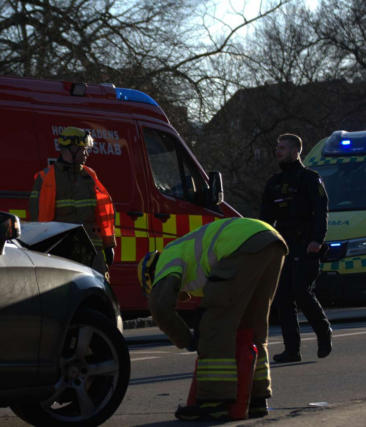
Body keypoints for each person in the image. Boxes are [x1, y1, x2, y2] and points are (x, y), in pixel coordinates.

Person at [137, 218, 288, 421]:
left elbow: (160, 307)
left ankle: (213, 403)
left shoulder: (166, 258)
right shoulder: (188, 253)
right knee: (251, 328)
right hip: (272, 241)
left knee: (214, 326)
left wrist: (187, 340)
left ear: (151, 276)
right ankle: (255, 399)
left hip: (242, 246)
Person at [259, 133, 333, 363]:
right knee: (282, 297)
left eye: (282, 147)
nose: (278, 151)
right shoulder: (274, 182)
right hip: (283, 247)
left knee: (301, 291)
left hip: (305, 244)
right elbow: (266, 218)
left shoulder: (310, 178)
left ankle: (324, 332)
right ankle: (292, 350)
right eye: (277, 147)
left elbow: (321, 211)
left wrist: (317, 240)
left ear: (295, 151)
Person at [29, 126, 116, 274]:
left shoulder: (89, 176)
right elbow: (38, 219)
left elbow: (103, 213)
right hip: (62, 253)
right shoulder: (45, 179)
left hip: (92, 253)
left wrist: (108, 246)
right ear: (73, 148)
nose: (87, 153)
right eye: (84, 149)